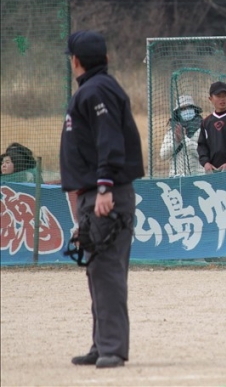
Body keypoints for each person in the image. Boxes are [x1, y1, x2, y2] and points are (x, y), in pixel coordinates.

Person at [60, 30, 144, 368]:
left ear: (75, 61)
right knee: (98, 272)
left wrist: (105, 186)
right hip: (94, 193)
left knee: (107, 272)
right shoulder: (97, 88)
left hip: (105, 194)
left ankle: (112, 348)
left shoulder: (97, 90)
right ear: (106, 59)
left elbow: (109, 139)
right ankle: (101, 343)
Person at [159, 95, 203, 177]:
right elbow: (163, 155)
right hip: (176, 176)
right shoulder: (172, 130)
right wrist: (176, 141)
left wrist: (184, 139)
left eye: (188, 107)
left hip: (197, 176)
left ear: (194, 109)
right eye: (183, 109)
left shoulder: (202, 128)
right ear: (178, 112)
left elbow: (201, 153)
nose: (186, 111)